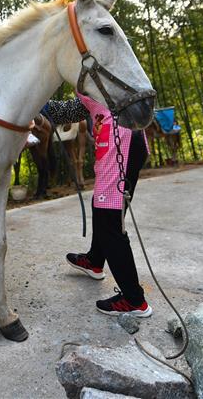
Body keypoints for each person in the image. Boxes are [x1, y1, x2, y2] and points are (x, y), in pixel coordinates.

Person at [45, 93, 152, 317]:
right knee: (102, 206)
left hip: (118, 140)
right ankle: (94, 260)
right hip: (128, 138)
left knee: (109, 221)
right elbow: (79, 107)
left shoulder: (91, 63)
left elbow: (67, 112)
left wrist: (38, 99)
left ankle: (134, 299)